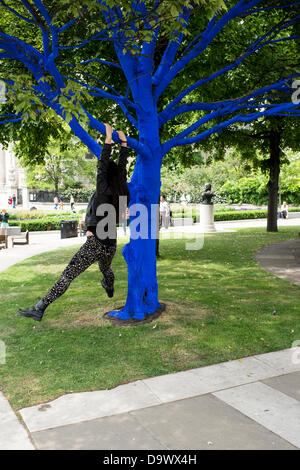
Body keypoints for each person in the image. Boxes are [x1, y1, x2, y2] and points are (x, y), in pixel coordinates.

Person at [18, 124, 129, 322]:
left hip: (95, 244)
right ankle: (109, 285)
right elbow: (121, 171)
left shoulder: (103, 189)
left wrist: (109, 139)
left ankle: (40, 307)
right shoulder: (121, 191)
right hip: (110, 245)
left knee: (67, 275)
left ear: (104, 177)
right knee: (106, 269)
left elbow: (103, 165)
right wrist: (124, 144)